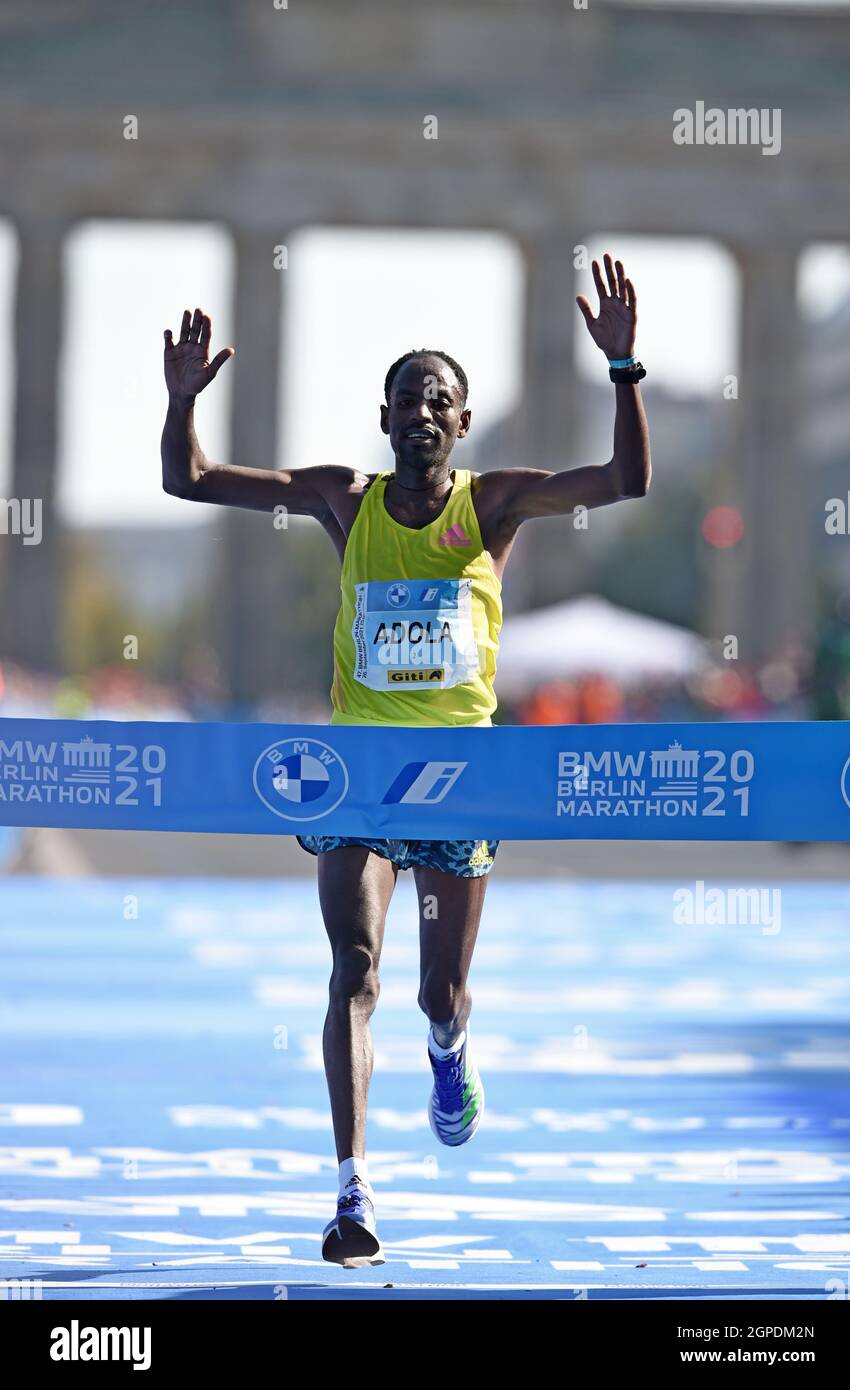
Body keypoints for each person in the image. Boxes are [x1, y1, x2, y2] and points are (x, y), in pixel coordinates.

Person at [161, 253, 651, 1267]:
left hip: (461, 778)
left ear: (463, 425)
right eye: (406, 399)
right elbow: (190, 479)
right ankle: (352, 1193)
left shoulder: (496, 503)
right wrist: (180, 403)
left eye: (441, 400)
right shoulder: (346, 501)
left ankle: (448, 1048)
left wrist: (621, 369)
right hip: (358, 776)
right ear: (382, 420)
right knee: (352, 969)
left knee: (437, 994)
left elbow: (624, 481)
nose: (423, 412)